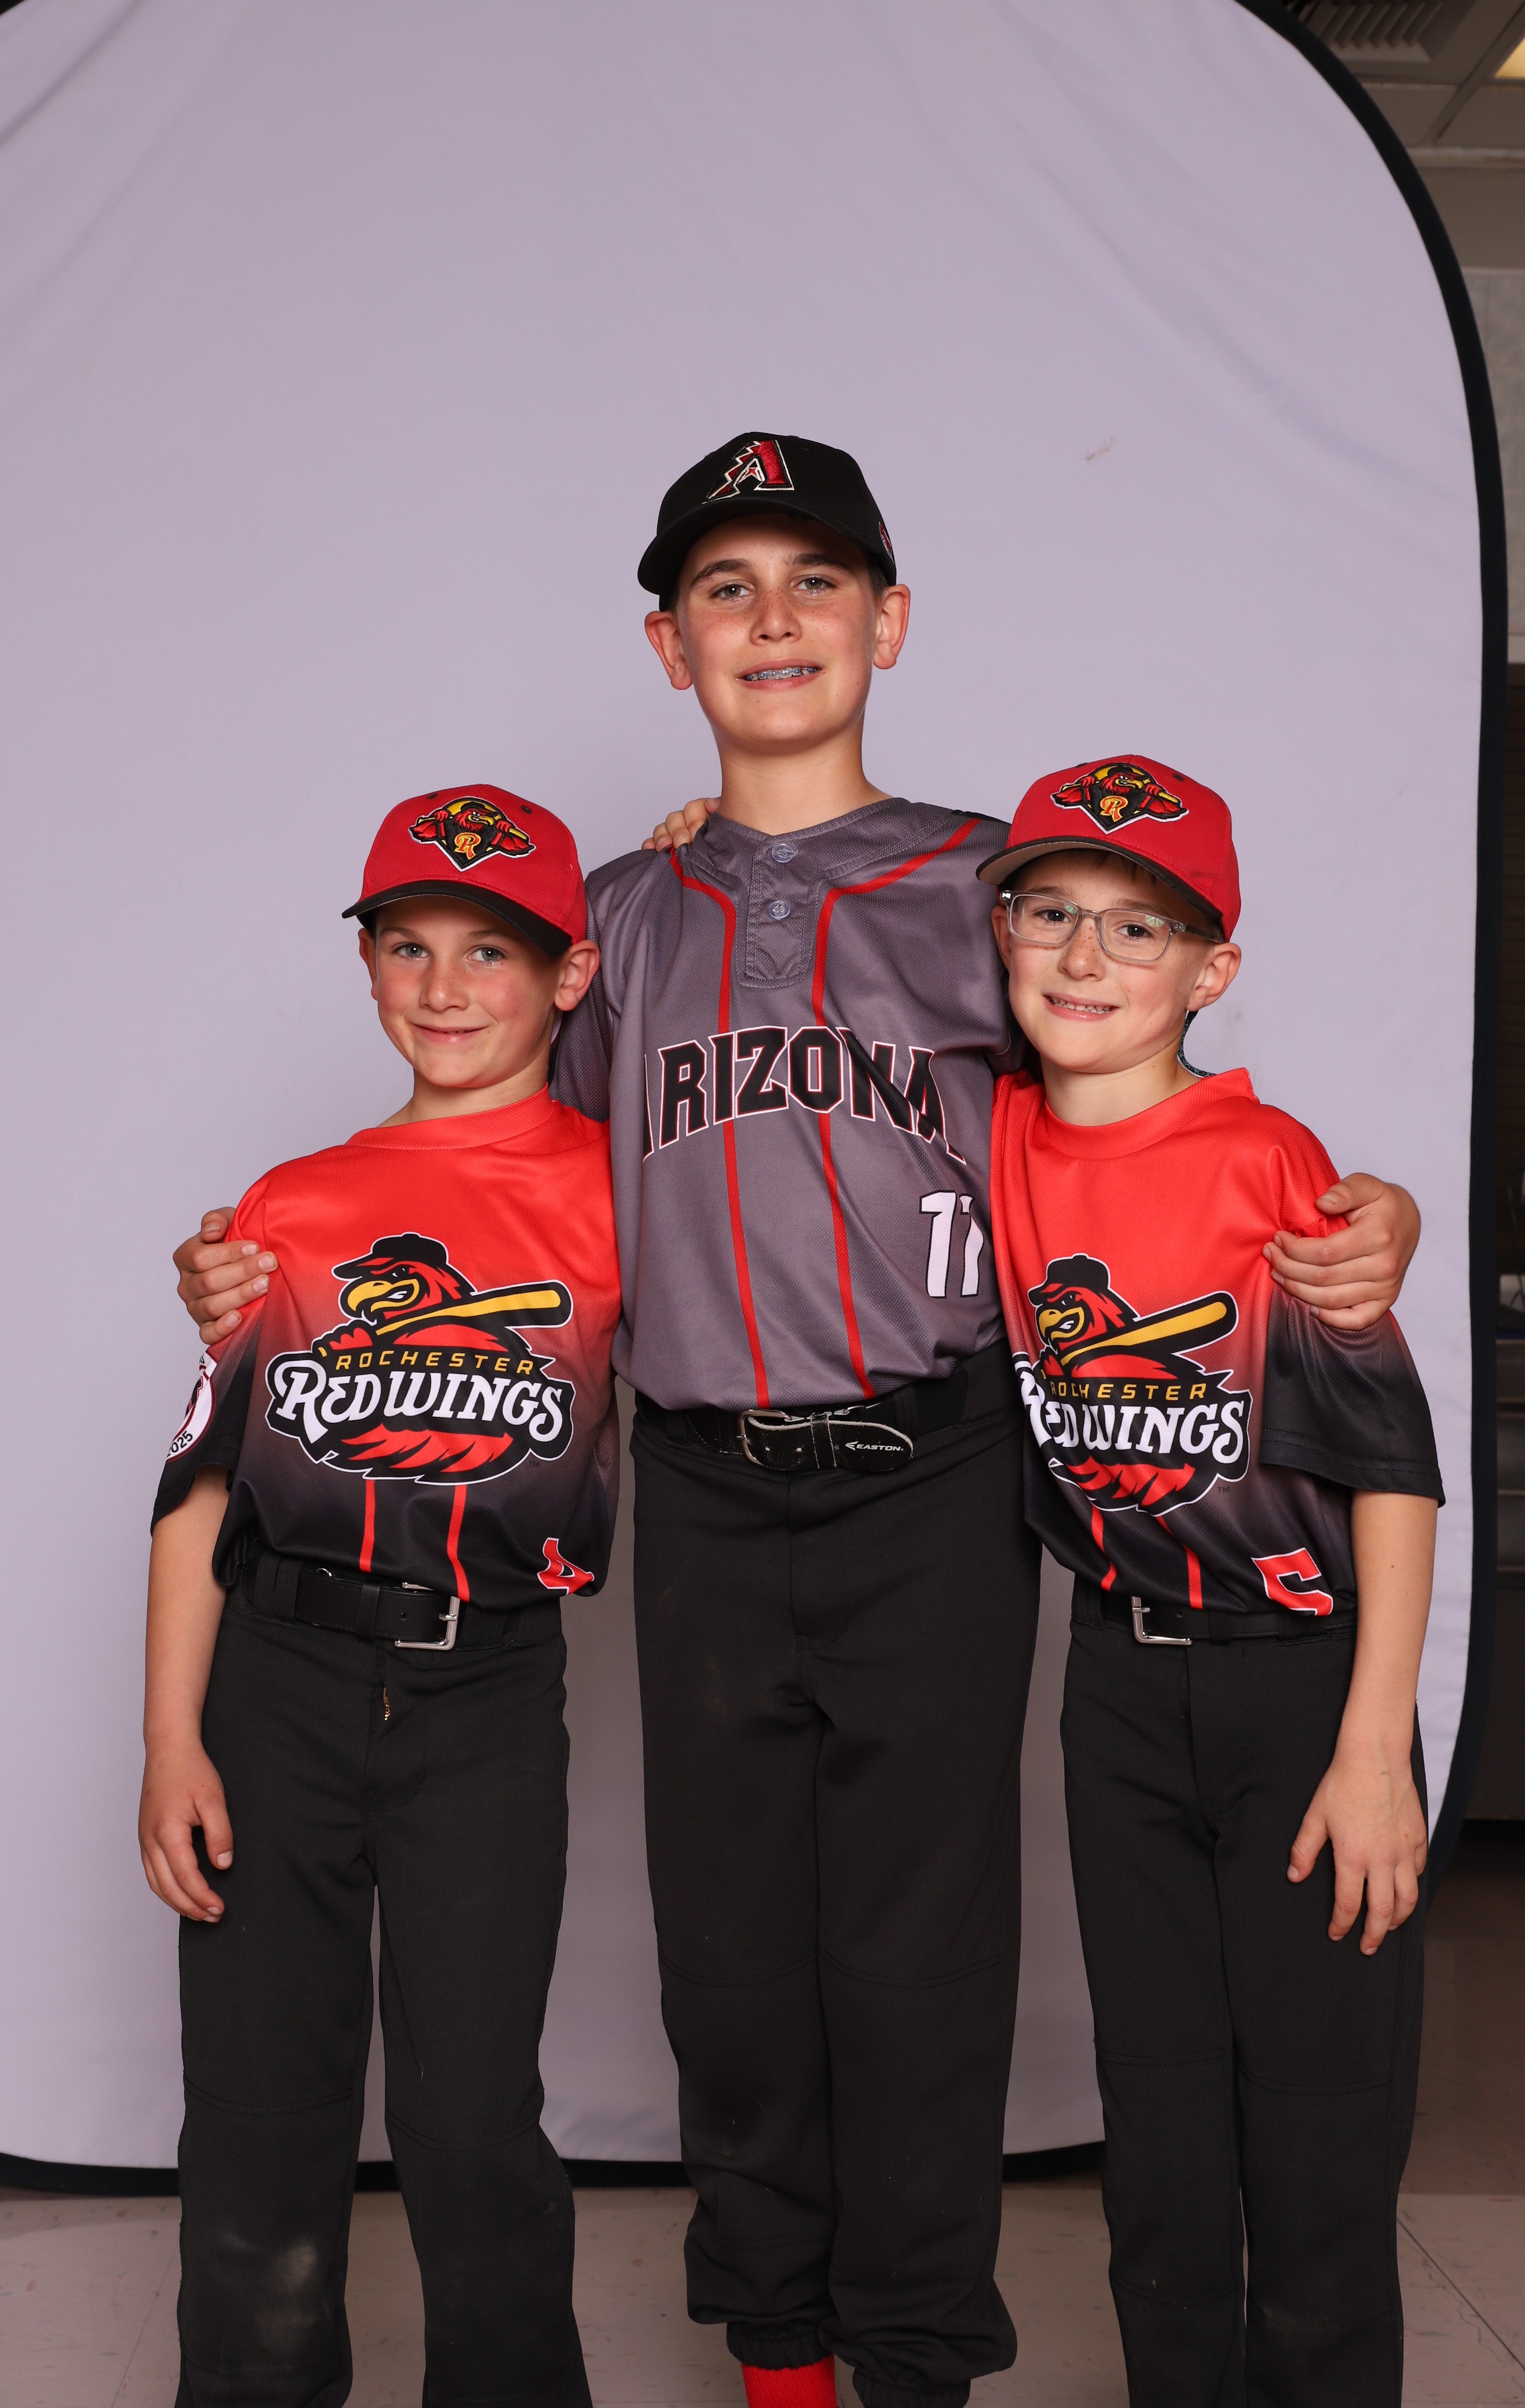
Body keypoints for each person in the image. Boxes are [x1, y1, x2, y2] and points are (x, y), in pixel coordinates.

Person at [170, 437, 1421, 2408]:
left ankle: (912, 2362)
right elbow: (472, 1153)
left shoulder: (989, 888)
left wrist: (1369, 1215)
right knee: (736, 1961)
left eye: (817, 580)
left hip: (937, 1472)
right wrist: (257, 1281)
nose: (774, 619)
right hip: (701, 1486)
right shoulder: (609, 917)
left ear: (889, 622)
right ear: (667, 644)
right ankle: (780, 2357)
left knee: (921, 1960)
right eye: (726, 587)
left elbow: (1149, 1106)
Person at [141, 785, 617, 2408]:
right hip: (273, 1681)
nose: (444, 986)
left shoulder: (625, 1193)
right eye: (408, 947)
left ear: (569, 975)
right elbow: (201, 1485)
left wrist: (692, 856)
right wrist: (173, 1740)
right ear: (367, 969)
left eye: (492, 952)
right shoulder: (295, 1203)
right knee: (259, 2110)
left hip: (487, 1691)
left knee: (471, 2116)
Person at [984, 755, 1440, 2407]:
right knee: (1162, 2134)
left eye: (1140, 927)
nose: (1085, 956)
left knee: (1315, 2135)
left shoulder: (1265, 1160)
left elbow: (1391, 1469)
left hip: (1306, 1687)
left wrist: (1375, 1750)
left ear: (1211, 969)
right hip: (1118, 1687)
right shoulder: (994, 1131)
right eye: (1051, 913)